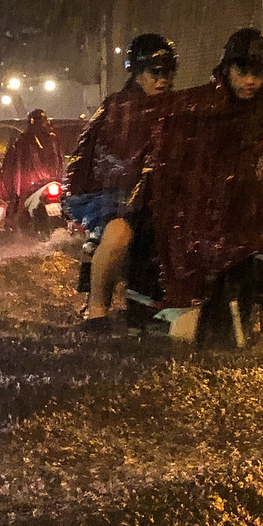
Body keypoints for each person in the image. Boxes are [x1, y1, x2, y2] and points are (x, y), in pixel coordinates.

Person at [133, 26, 263, 342]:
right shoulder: (205, 102)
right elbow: (179, 142)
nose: (250, 81)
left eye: (257, 73)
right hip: (211, 200)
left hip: (256, 196)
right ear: (227, 68)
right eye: (242, 71)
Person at [65, 32, 177, 322]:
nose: (162, 80)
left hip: (163, 195)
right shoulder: (118, 108)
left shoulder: (176, 107)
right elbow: (102, 156)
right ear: (138, 74)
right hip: (115, 196)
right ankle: (97, 307)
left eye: (167, 72)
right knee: (118, 236)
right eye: (155, 72)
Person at [0, 108, 64, 229]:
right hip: (42, 185)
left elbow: (15, 169)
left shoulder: (25, 141)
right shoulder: (27, 141)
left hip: (36, 187)